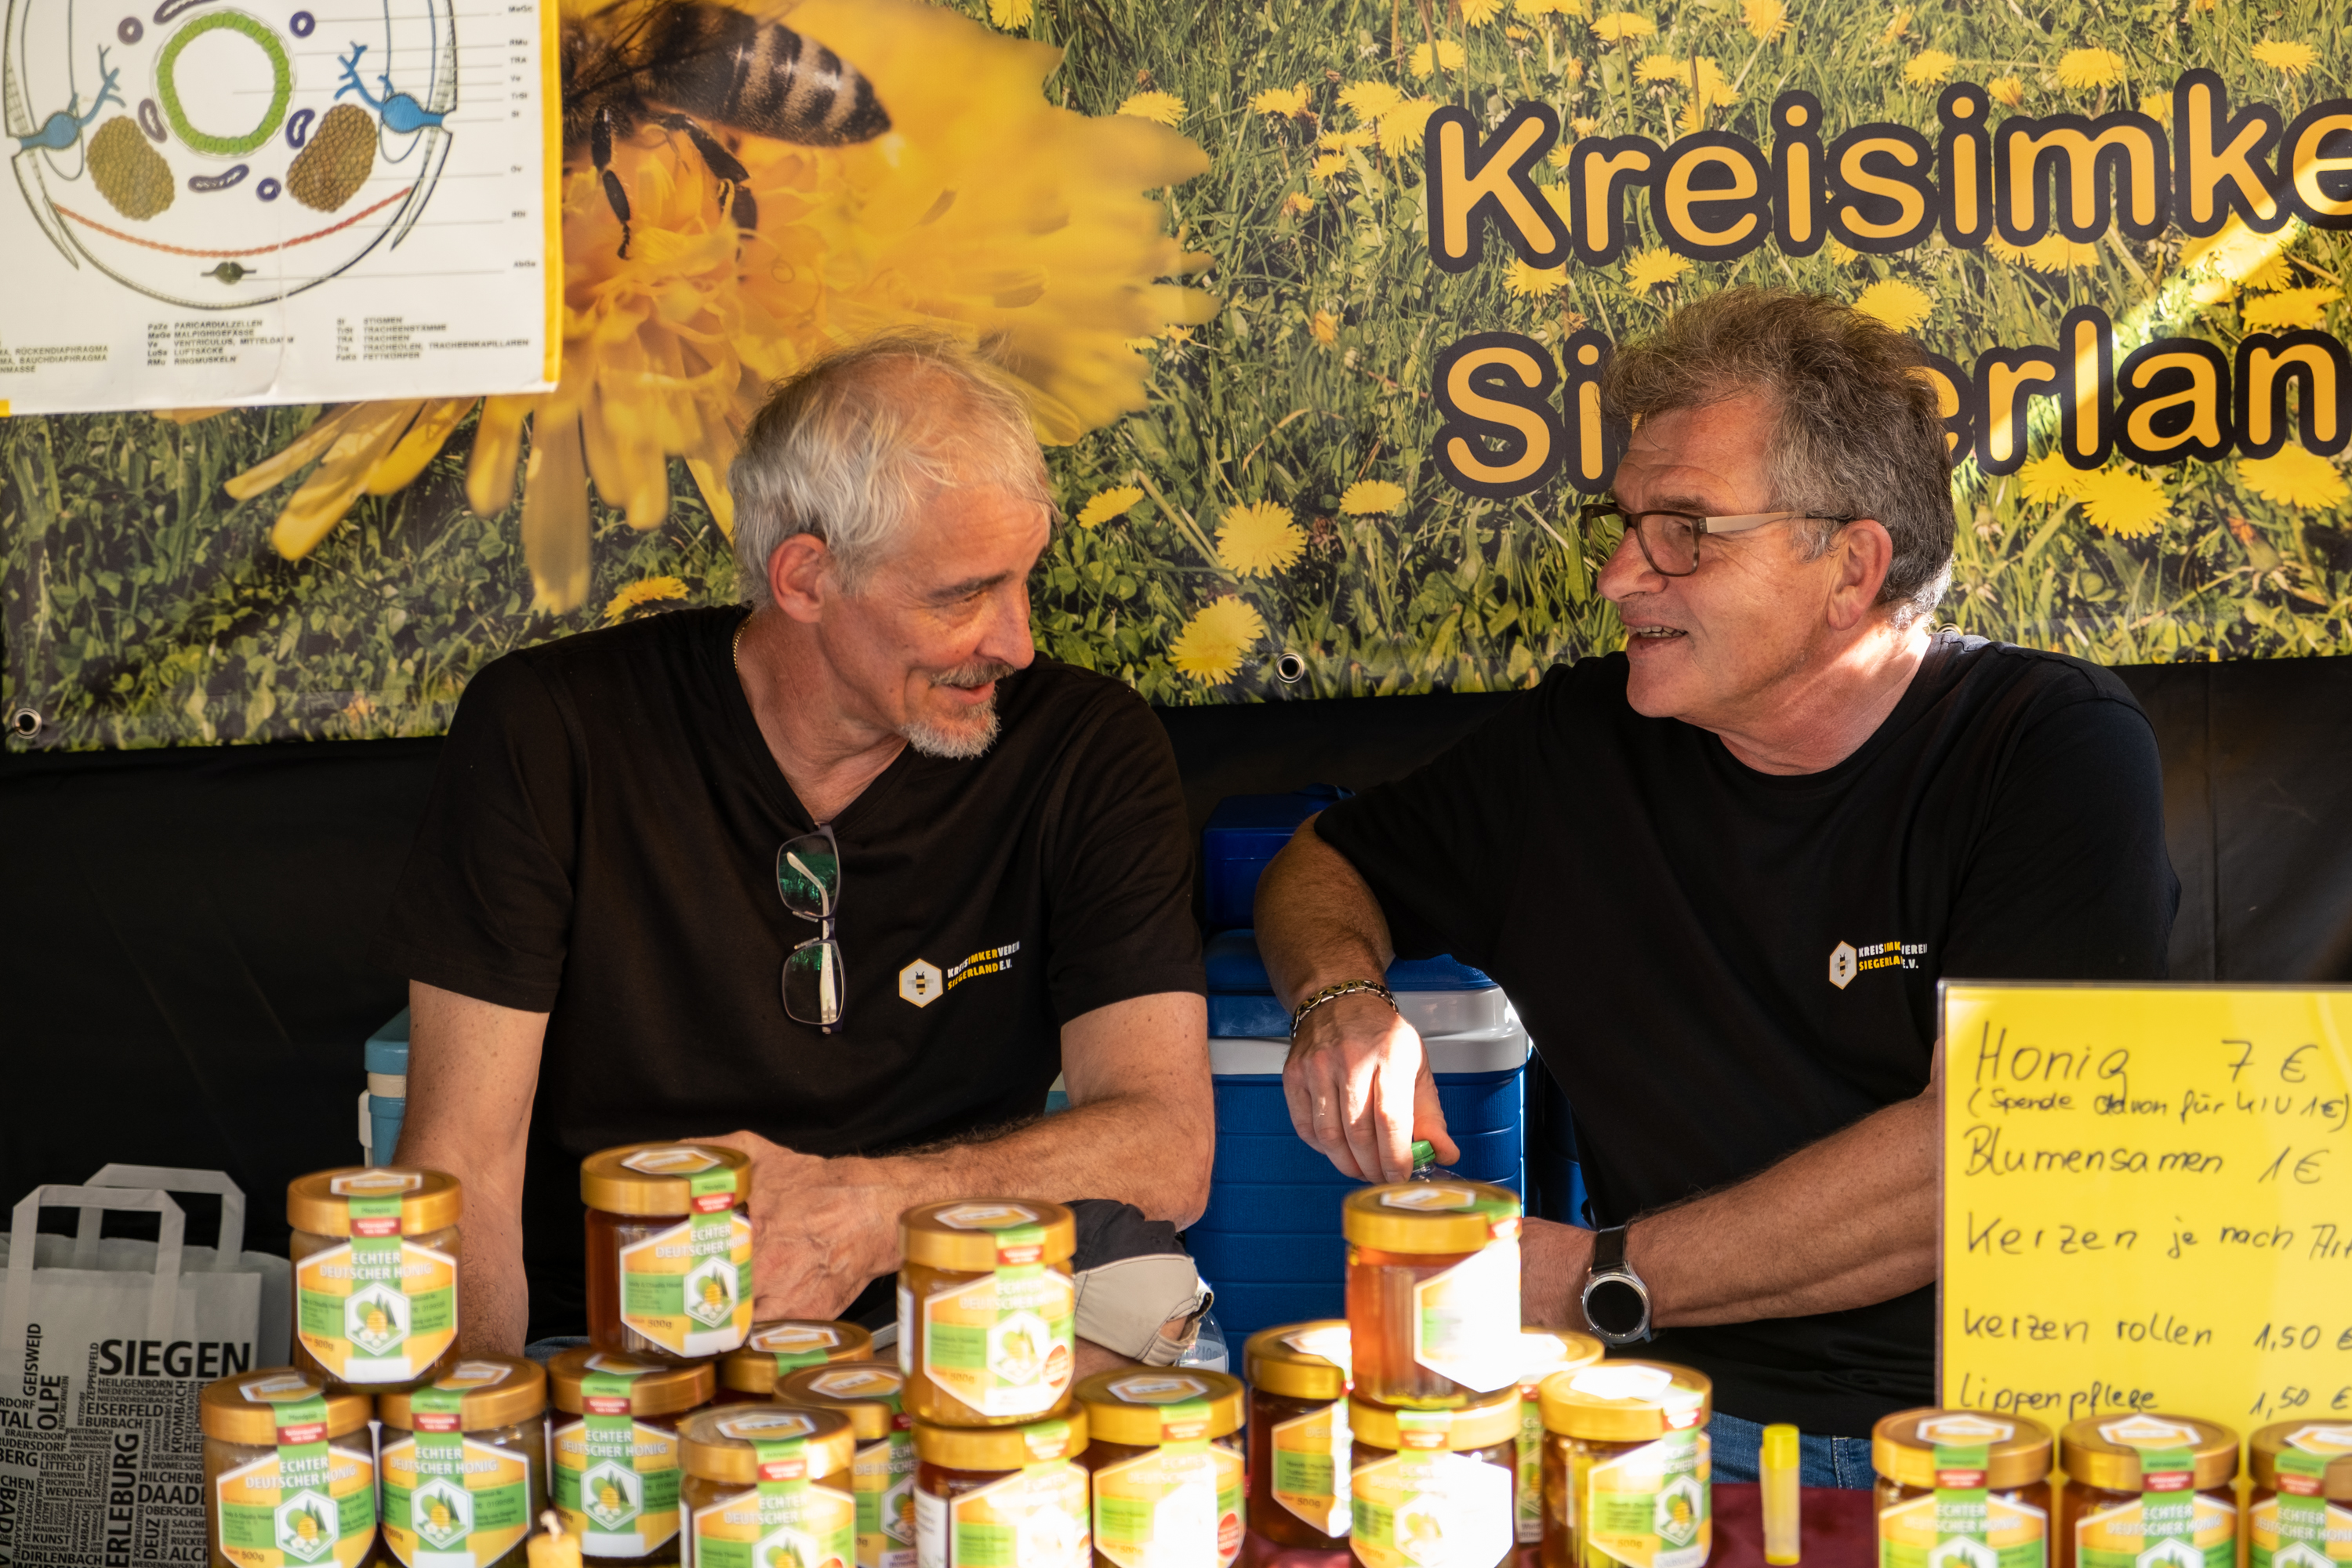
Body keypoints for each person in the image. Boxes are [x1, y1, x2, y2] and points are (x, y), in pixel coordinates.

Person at [1254, 288, 2176, 1485]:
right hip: (1655, 1426)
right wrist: (1341, 1003)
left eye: (1684, 531)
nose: (1616, 576)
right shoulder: (1580, 743)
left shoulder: (2050, 747)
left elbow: (1988, 1153)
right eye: (1625, 523)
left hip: (1986, 1450)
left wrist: (1595, 1277)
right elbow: (1324, 862)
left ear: (1850, 568)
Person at [379, 333, 1214, 1364]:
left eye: (1023, 580)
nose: (1017, 642)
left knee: (1144, 1296)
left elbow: (1167, 1146)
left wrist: (874, 1210)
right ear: (806, 578)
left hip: (945, 1325)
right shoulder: (551, 729)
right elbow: (460, 1163)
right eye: (963, 595)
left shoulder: (1086, 746)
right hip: (622, 1341)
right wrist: (480, 1435)